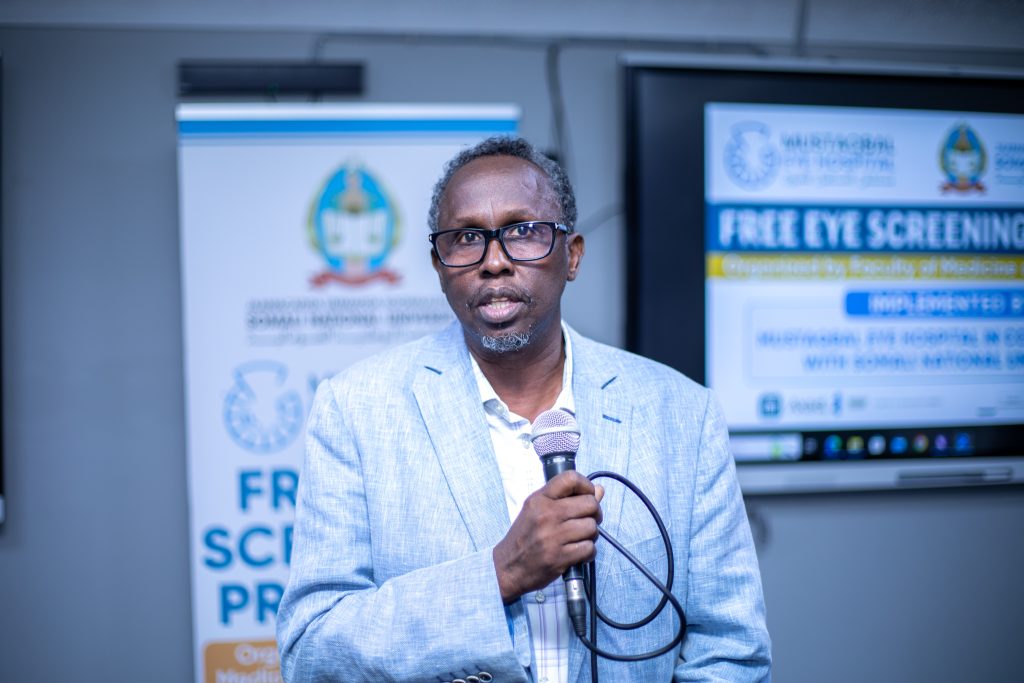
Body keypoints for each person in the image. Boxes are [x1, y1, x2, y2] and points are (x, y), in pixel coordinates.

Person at [277, 136, 771, 682]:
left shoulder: (683, 414)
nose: (494, 261)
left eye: (523, 231)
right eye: (467, 238)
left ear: (572, 255)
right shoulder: (356, 410)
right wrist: (499, 573)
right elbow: (311, 650)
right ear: (439, 265)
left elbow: (732, 651)